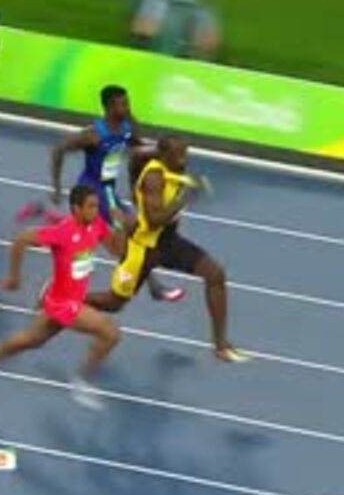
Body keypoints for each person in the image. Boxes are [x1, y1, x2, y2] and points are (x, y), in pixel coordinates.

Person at [86, 135, 248, 363]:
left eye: (185, 154)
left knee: (215, 274)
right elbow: (154, 221)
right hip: (143, 249)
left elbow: (138, 155)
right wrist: (185, 197)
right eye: (178, 156)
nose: (184, 160)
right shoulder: (154, 178)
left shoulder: (173, 169)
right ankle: (65, 299)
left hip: (168, 243)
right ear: (165, 156)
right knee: (114, 304)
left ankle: (220, 346)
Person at [19, 84, 184, 303]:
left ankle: (46, 221)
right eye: (122, 104)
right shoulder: (94, 135)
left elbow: (138, 147)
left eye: (128, 103)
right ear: (109, 107)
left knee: (109, 239)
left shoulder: (127, 127)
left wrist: (161, 154)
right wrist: (56, 187)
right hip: (93, 190)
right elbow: (58, 150)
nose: (127, 108)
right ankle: (153, 285)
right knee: (128, 234)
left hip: (109, 190)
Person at [0, 185, 124, 407]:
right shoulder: (63, 232)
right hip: (63, 304)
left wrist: (120, 225)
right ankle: (81, 382)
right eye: (91, 207)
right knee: (110, 333)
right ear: (76, 209)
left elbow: (117, 251)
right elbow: (22, 239)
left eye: (97, 206)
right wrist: (14, 278)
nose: (96, 211)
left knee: (31, 340)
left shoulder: (97, 224)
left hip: (69, 297)